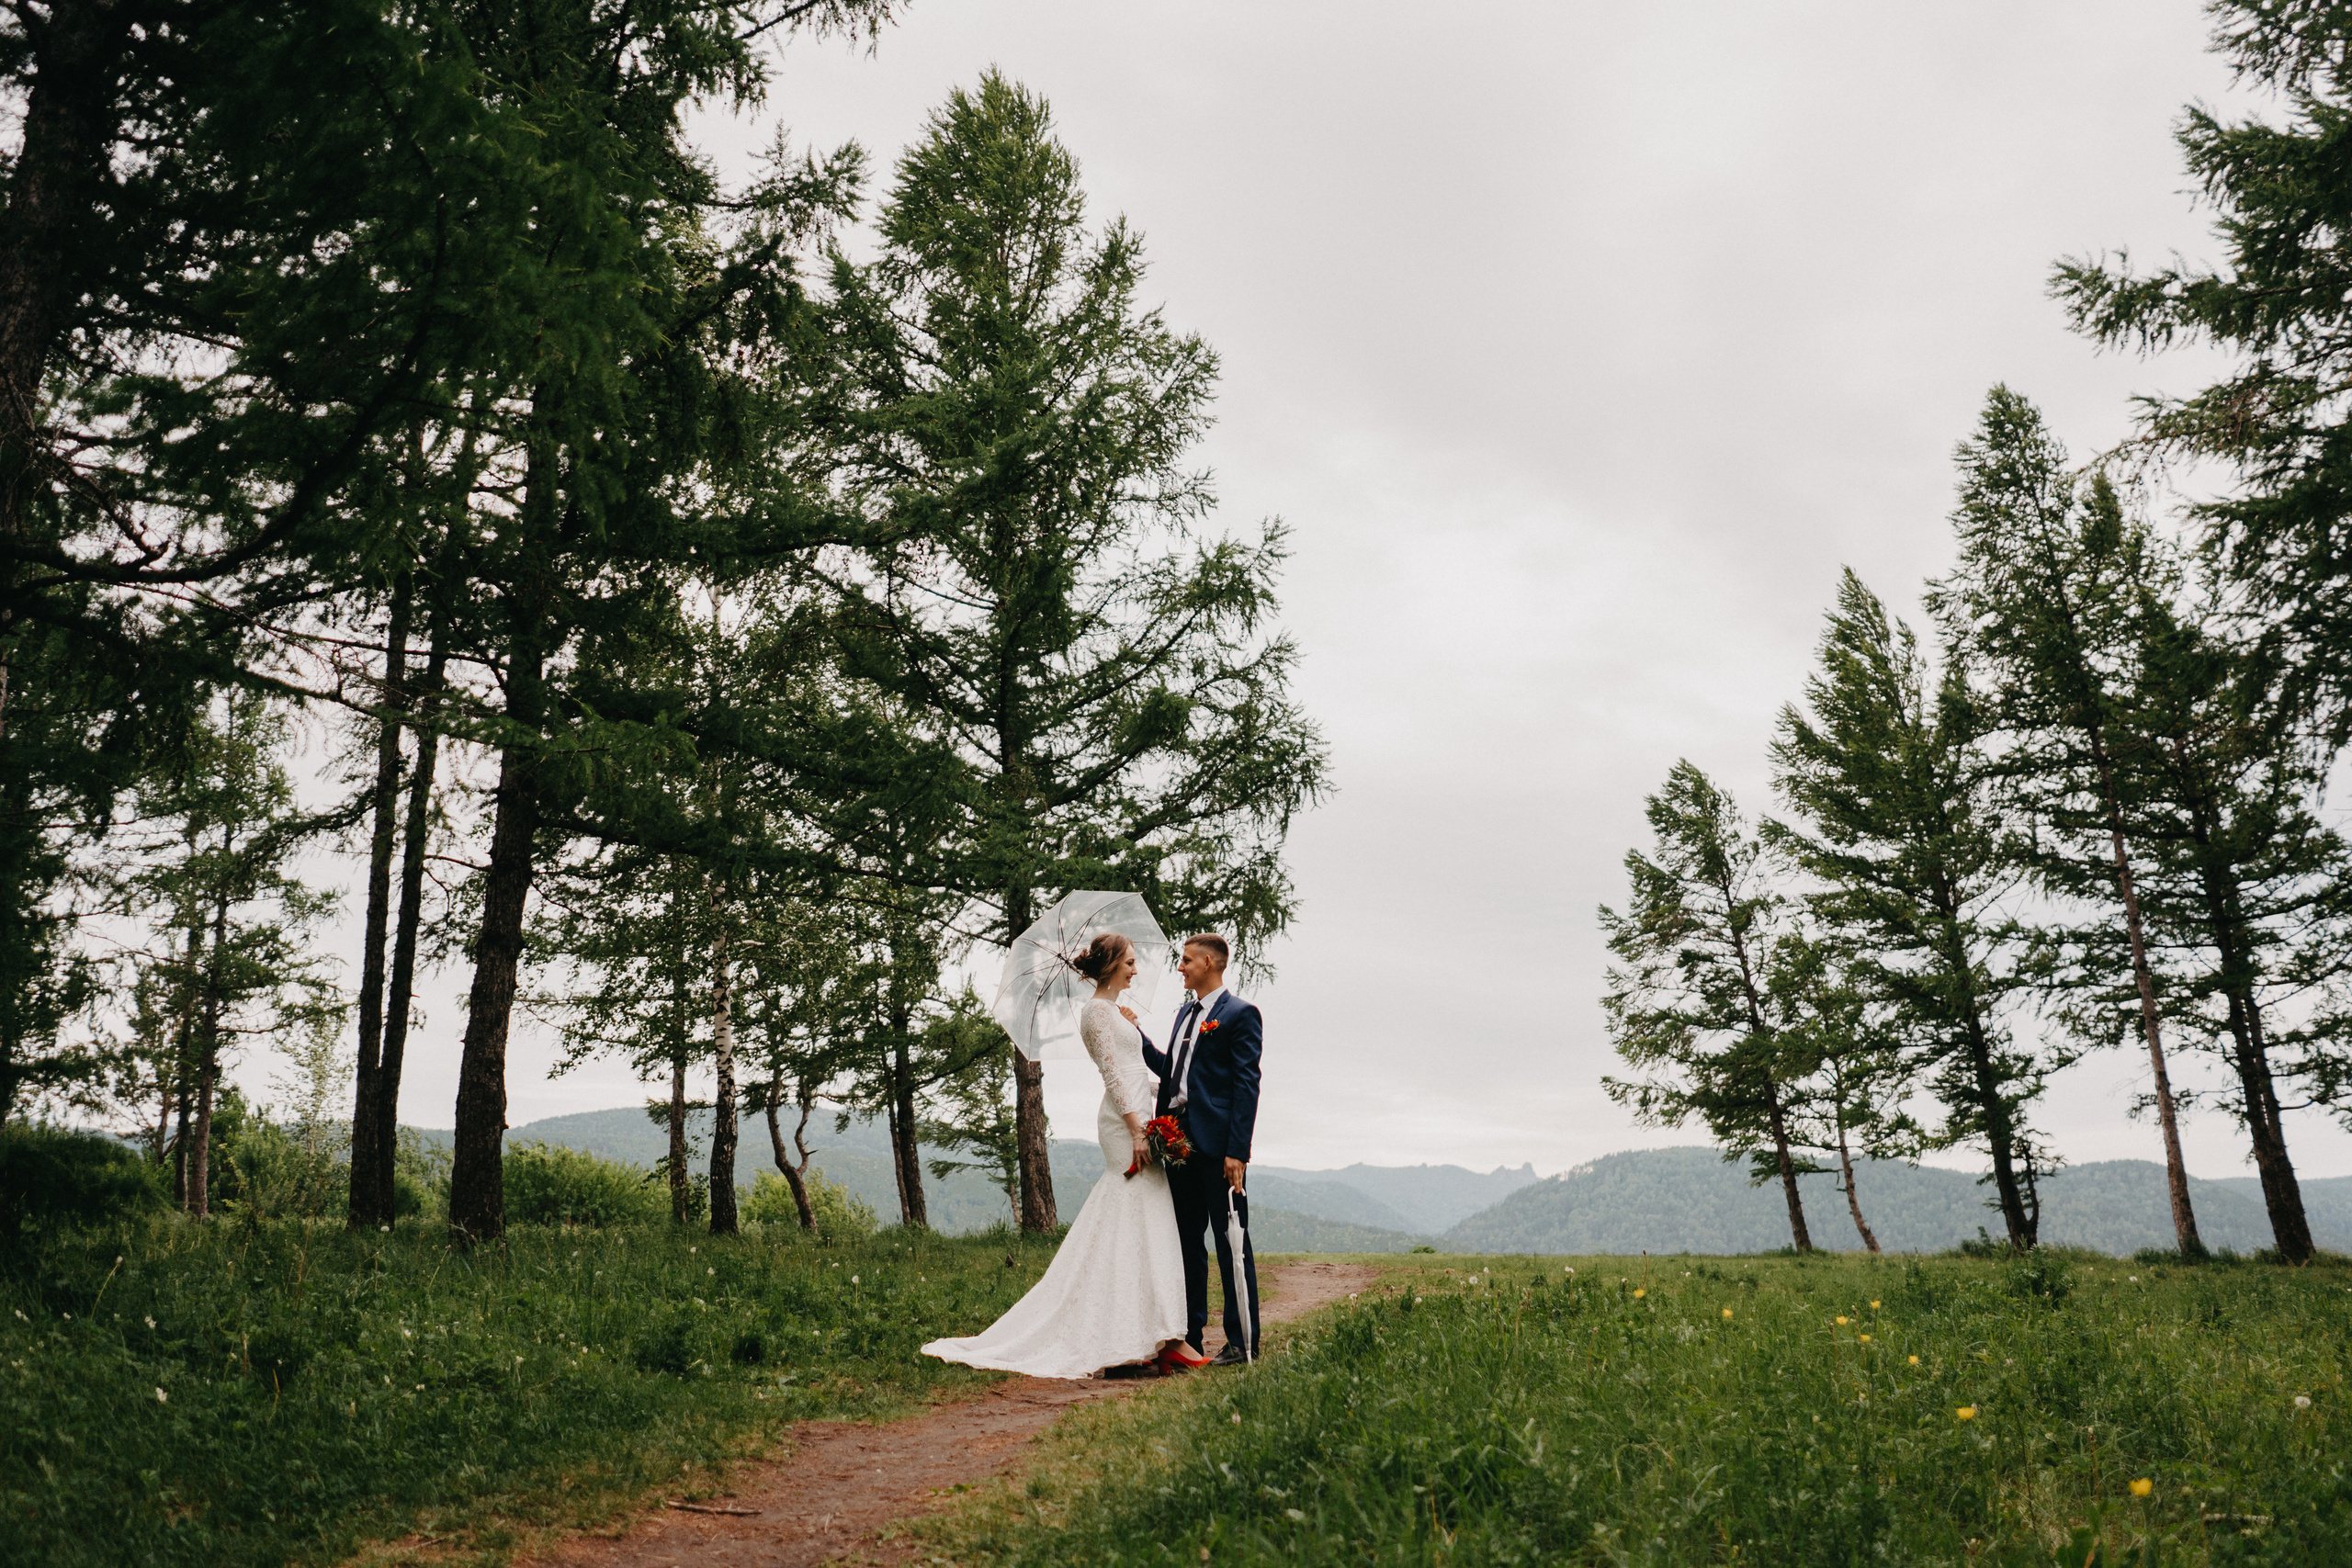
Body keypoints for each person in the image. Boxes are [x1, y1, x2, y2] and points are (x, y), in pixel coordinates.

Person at [920, 932, 1206, 1379]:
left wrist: (1161, 1100)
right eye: (1130, 962)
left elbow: (1134, 1069)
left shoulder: (1114, 1013)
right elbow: (1112, 1074)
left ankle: (1159, 1334)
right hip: (1123, 1123)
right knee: (1129, 1211)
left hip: (1140, 1115)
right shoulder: (1095, 1012)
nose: (1135, 969)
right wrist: (1135, 1127)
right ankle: (1136, 1336)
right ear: (1111, 965)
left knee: (1147, 1219)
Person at [1143, 932, 1262, 1365]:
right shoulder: (1183, 1015)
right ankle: (1190, 1337)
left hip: (1218, 1148)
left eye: (1187, 960)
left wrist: (1238, 1151)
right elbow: (1171, 1071)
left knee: (1232, 1242)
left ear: (1210, 963)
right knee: (1186, 1243)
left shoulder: (1241, 1014)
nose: (1181, 967)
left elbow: (1247, 1085)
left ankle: (1241, 1342)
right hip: (1177, 1144)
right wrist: (1133, 1036)